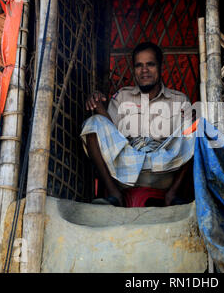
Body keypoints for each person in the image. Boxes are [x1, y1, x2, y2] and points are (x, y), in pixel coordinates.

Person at [81, 42, 195, 207]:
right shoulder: (122, 97)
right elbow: (112, 135)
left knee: (198, 128)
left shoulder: (179, 99)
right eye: (139, 65)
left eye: (150, 64)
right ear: (133, 69)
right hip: (125, 169)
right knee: (93, 124)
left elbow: (185, 144)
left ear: (160, 67)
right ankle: (114, 194)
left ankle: (173, 195)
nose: (144, 70)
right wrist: (99, 107)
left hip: (164, 171)